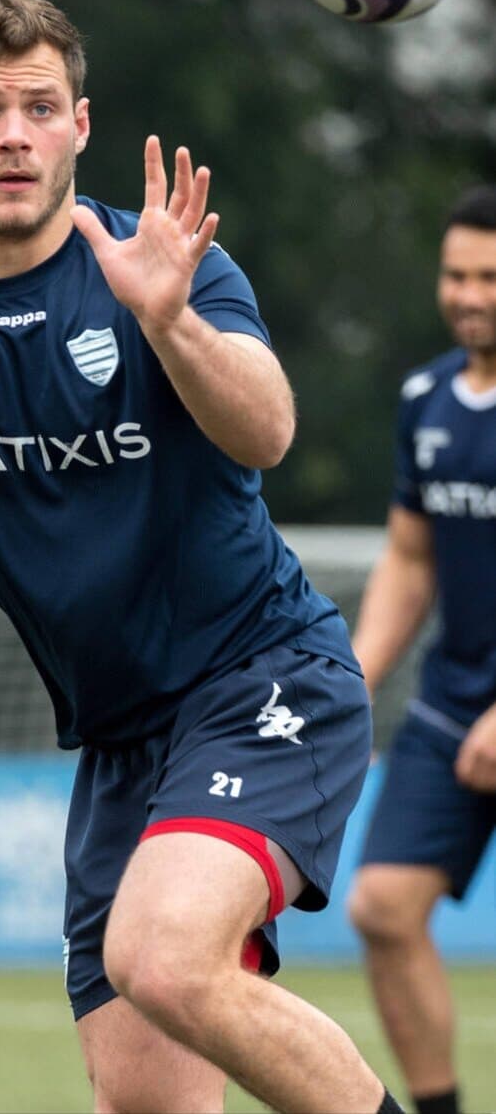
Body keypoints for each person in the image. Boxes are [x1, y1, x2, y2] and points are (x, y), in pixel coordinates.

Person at [0, 0, 400, 1114]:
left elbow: (267, 425)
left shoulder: (157, 264)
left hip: (260, 674)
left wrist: (169, 319)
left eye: (39, 108)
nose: (14, 137)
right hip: (118, 739)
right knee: (143, 1097)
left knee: (158, 954)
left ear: (79, 125)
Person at [347, 186, 496, 1114]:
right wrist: (352, 678)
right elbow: (410, 560)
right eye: (456, 274)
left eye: (489, 277)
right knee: (381, 906)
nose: (469, 293)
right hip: (453, 704)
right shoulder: (426, 398)